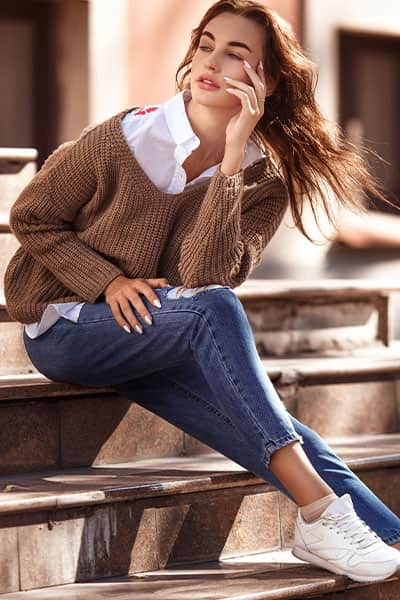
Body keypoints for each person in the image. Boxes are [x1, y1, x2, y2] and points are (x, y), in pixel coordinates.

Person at [4, 0, 400, 584]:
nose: (209, 61)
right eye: (205, 43)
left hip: (155, 334)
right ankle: (319, 513)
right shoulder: (121, 138)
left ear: (265, 81)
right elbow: (31, 217)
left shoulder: (264, 180)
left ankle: (384, 536)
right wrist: (107, 282)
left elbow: (200, 275)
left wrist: (232, 162)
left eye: (235, 53)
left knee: (280, 431)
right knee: (217, 313)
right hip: (66, 326)